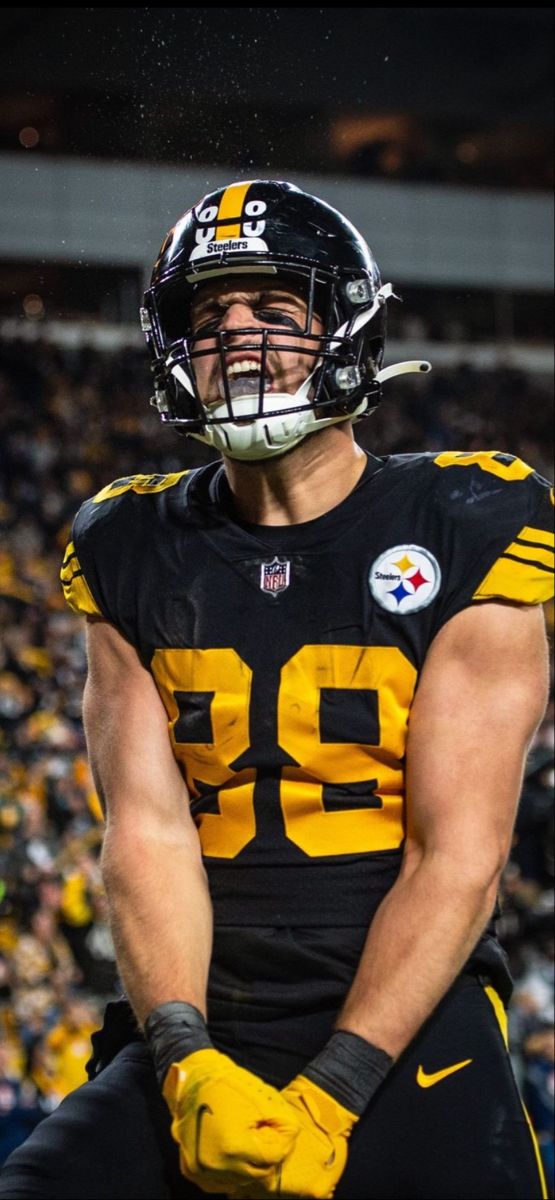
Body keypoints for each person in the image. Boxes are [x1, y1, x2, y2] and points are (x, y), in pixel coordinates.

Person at [1, 179, 553, 1200]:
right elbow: (149, 834)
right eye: (208, 319)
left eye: (274, 311)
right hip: (205, 1008)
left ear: (343, 328)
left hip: (408, 1013)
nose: (236, 338)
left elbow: (459, 855)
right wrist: (182, 1055)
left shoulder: (468, 516)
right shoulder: (127, 542)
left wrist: (333, 1090)